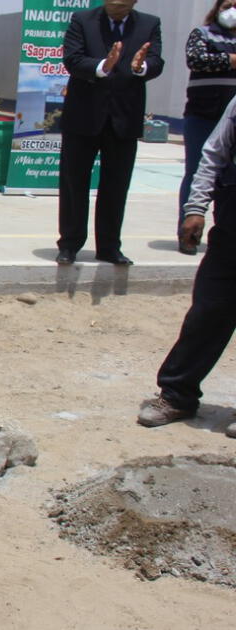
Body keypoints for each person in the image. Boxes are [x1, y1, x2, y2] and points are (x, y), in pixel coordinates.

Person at [136, 95, 236, 439]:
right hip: (232, 230)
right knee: (208, 311)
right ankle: (177, 395)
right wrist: (195, 208)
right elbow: (214, 154)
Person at [55, 0, 163, 266]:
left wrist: (141, 67)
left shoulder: (150, 23)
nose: (117, 5)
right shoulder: (82, 20)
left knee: (116, 186)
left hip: (124, 119)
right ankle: (69, 244)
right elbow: (72, 59)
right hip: (84, 117)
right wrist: (104, 65)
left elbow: (156, 61)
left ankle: (109, 247)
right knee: (74, 183)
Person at [178, 0, 236, 256]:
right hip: (203, 114)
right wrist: (232, 59)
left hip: (231, 118)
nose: (232, 9)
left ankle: (223, 231)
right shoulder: (202, 33)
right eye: (228, 4)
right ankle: (188, 232)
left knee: (229, 178)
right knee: (197, 170)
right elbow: (197, 60)